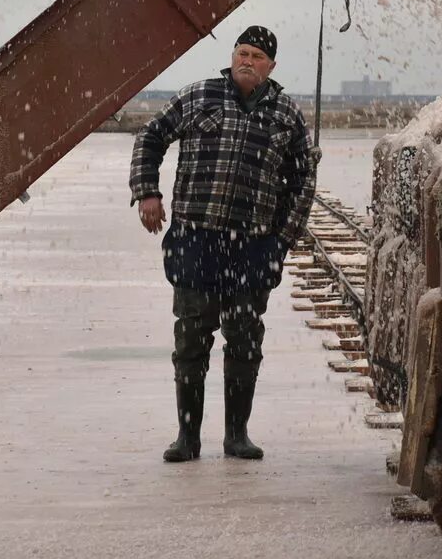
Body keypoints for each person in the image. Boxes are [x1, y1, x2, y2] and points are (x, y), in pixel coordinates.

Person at [129, 25, 317, 462]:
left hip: (252, 248)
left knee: (245, 342)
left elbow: (303, 180)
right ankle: (187, 439)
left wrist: (282, 240)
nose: (247, 61)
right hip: (197, 241)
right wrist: (148, 192)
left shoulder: (286, 115)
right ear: (232, 56)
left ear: (271, 66)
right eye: (242, 53)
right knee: (191, 341)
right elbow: (150, 137)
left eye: (257, 56)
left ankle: (237, 436)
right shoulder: (198, 96)